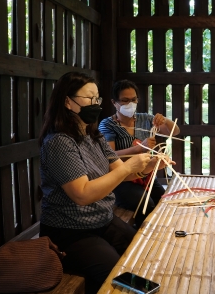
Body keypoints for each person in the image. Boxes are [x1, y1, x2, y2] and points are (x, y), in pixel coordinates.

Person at [38, 72, 171, 293]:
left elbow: (124, 174)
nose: (95, 104)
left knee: (144, 253)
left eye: (97, 98)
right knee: (116, 276)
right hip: (70, 231)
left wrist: (153, 164)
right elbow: (82, 194)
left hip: (103, 220)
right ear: (66, 101)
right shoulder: (59, 142)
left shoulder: (93, 136)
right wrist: (130, 165)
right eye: (89, 98)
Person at [99, 79, 180, 228]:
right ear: (114, 102)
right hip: (121, 179)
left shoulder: (145, 118)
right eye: (125, 100)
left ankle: (158, 234)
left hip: (145, 174)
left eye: (134, 99)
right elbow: (109, 155)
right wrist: (138, 148)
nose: (130, 104)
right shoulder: (107, 124)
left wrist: (165, 120)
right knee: (146, 204)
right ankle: (140, 238)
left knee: (163, 201)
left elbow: (174, 132)